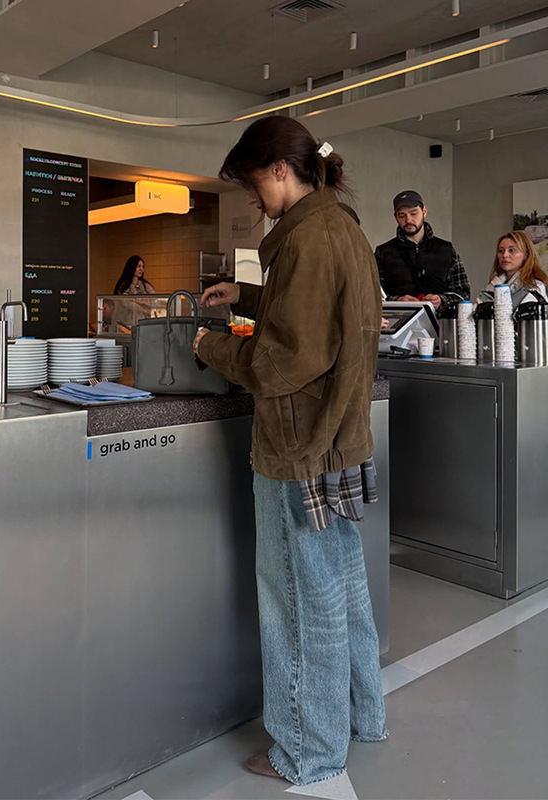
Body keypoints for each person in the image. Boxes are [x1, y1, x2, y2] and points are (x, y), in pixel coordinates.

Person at [192, 116, 387, 787]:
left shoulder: (306, 238)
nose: (252, 199)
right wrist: (244, 294)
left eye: (253, 184)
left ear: (281, 168)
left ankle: (307, 749)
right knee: (342, 589)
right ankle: (361, 716)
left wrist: (211, 346)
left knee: (300, 604)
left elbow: (280, 361)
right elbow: (314, 317)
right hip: (337, 439)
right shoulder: (341, 227)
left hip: (298, 446)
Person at [375, 189, 470, 311]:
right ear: (395, 217)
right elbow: (372, 295)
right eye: (402, 216)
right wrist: (396, 301)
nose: (408, 220)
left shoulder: (446, 250)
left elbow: (464, 295)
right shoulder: (383, 252)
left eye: (413, 213)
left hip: (440, 321)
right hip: (398, 320)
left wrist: (441, 300)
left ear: (424, 212)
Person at [476, 231, 548, 308]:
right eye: (501, 251)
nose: (505, 255)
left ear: (526, 254)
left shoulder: (535, 287)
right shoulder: (492, 286)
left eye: (511, 250)